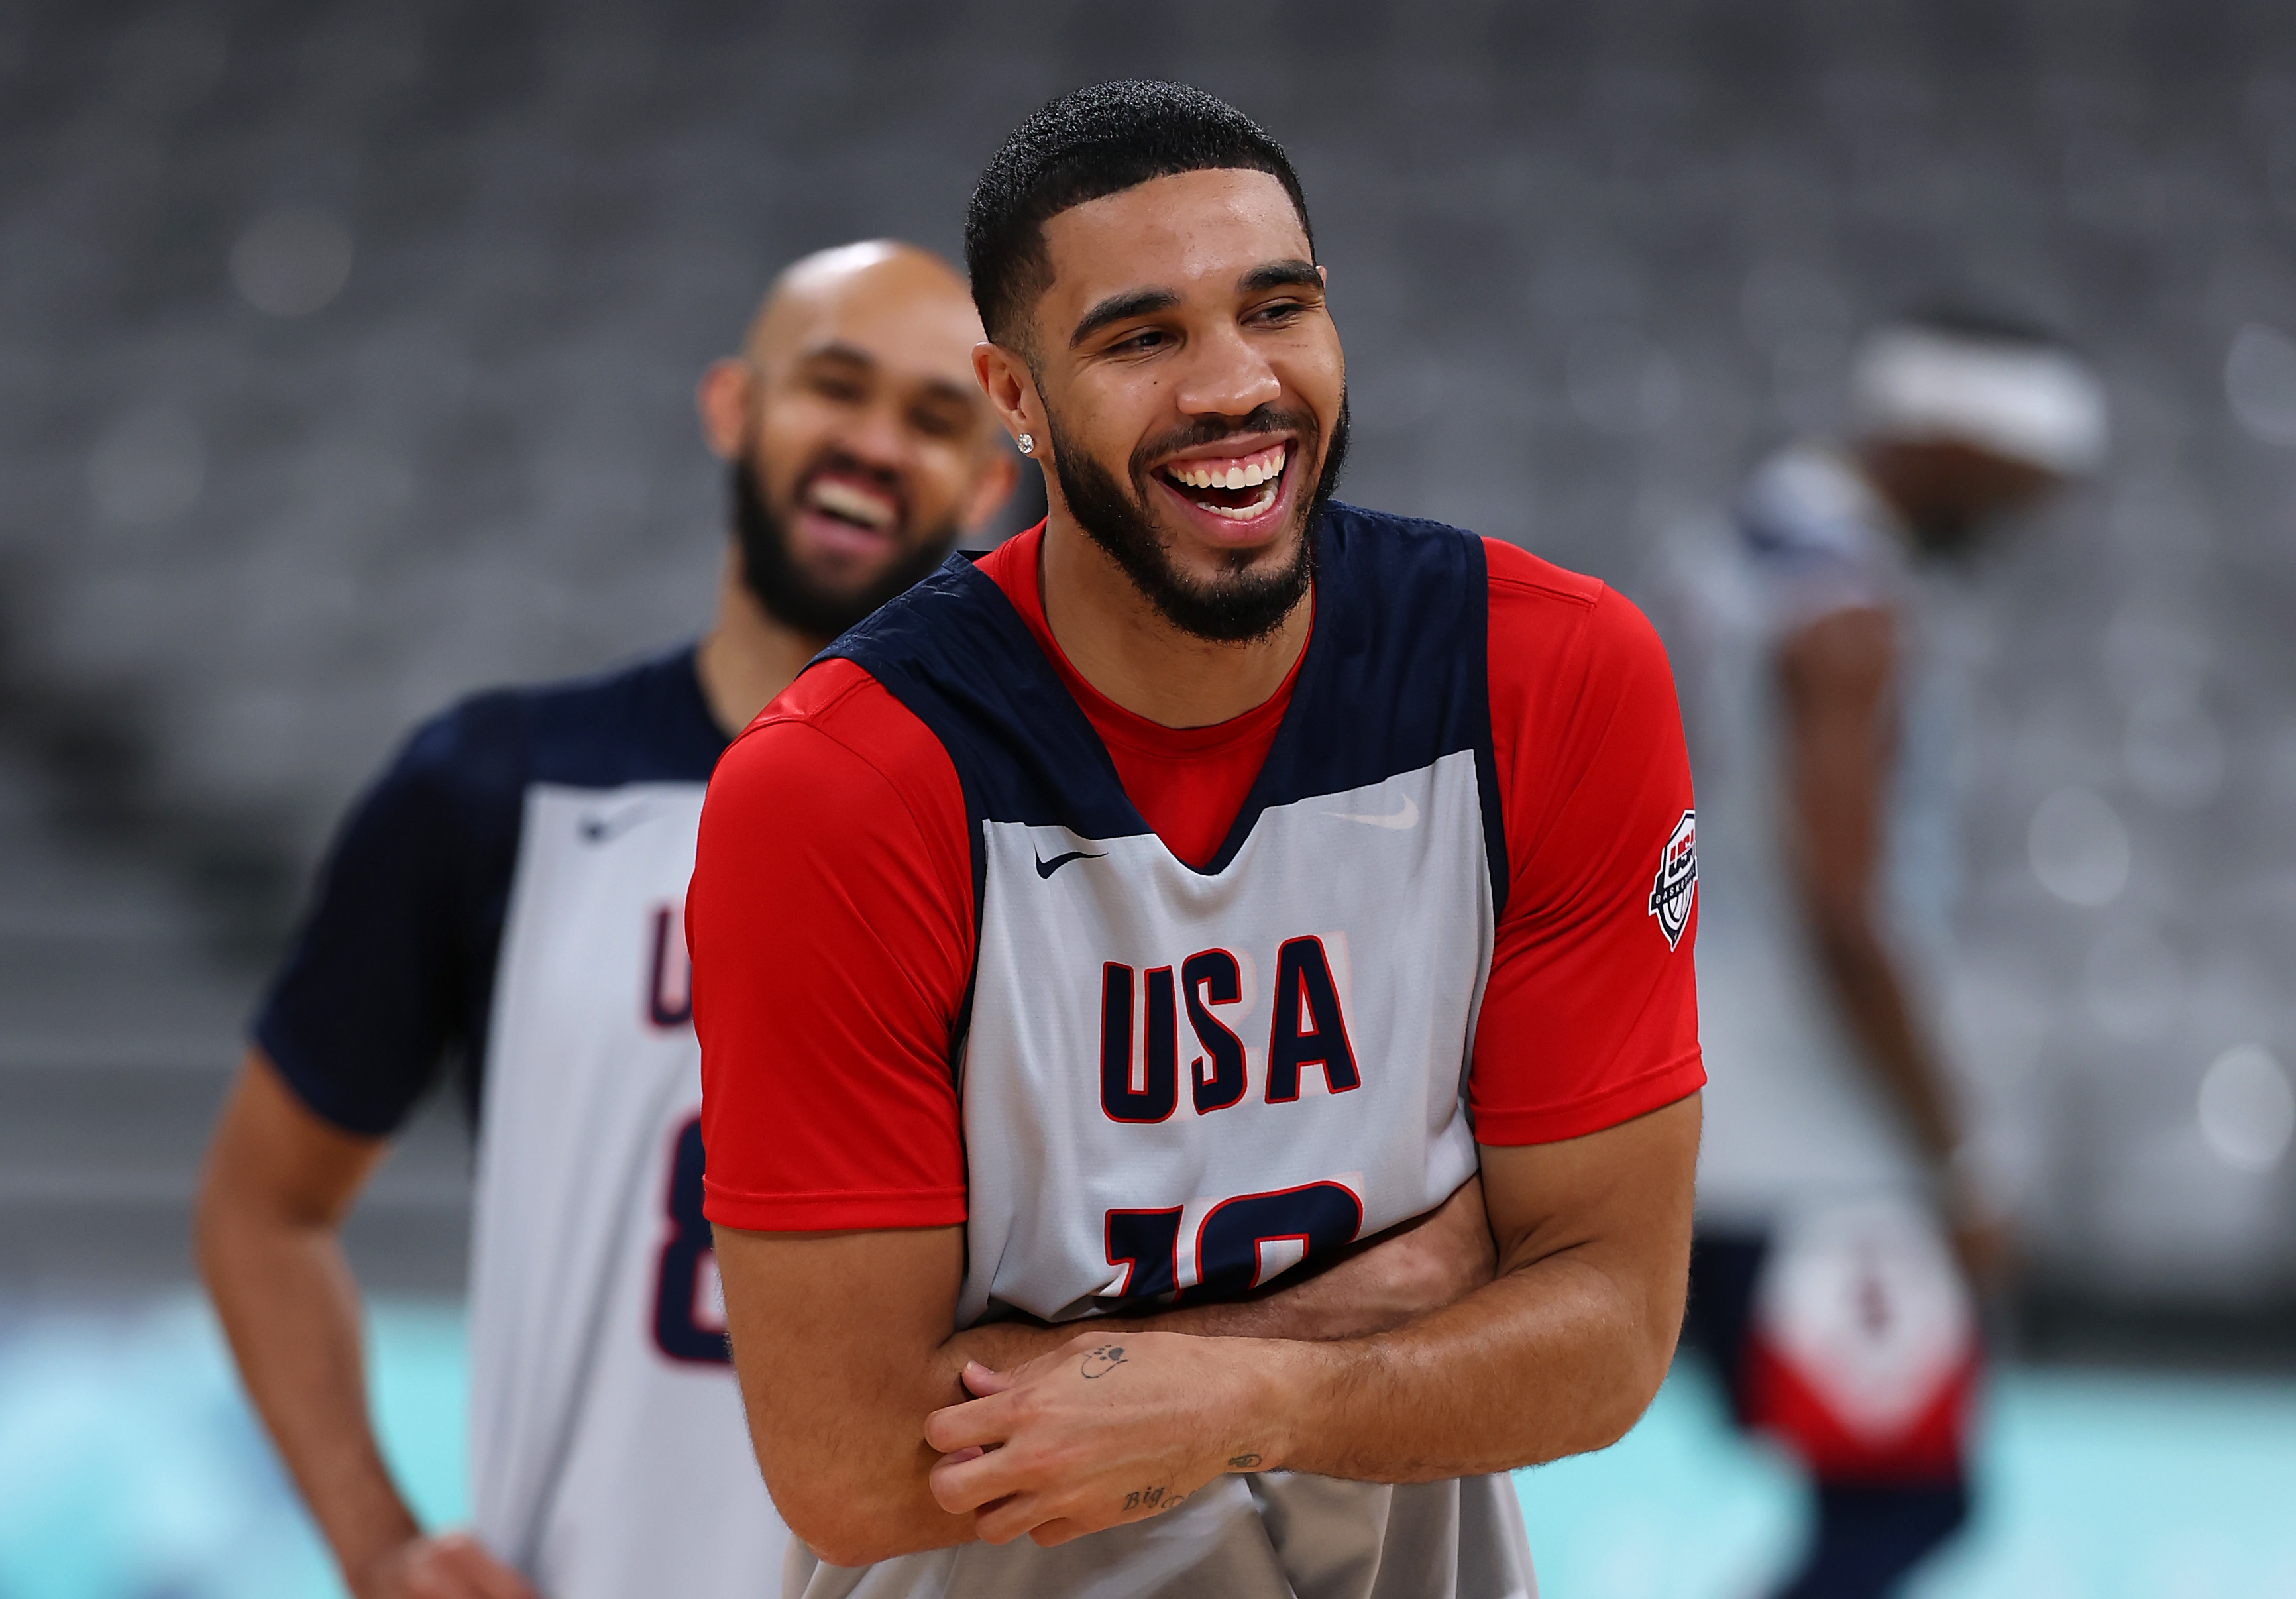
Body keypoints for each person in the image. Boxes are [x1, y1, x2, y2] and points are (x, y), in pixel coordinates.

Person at [689, 81, 1706, 1599]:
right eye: (1143, 335)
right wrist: (1418, 1282)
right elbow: (848, 1462)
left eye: (1278, 308)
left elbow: (1611, 1333)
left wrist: (1245, 1394)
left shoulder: (1549, 675)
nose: (1236, 386)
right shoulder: (843, 784)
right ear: (1016, 400)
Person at [193, 241, 1018, 1599]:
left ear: (993, 482)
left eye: (935, 418)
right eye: (834, 388)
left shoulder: (1048, 828)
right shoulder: (495, 786)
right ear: (732, 407)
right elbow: (260, 1206)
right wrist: (379, 1546)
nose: (875, 444)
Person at [1653, 312, 2106, 1599]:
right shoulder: (1847, 608)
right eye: (2013, 489)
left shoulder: (1734, 549)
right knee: (1912, 1502)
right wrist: (1960, 1157)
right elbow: (1847, 913)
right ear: (1947, 441)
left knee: (1893, 1501)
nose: (2017, 525)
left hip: (1690, 1092)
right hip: (1808, 1145)